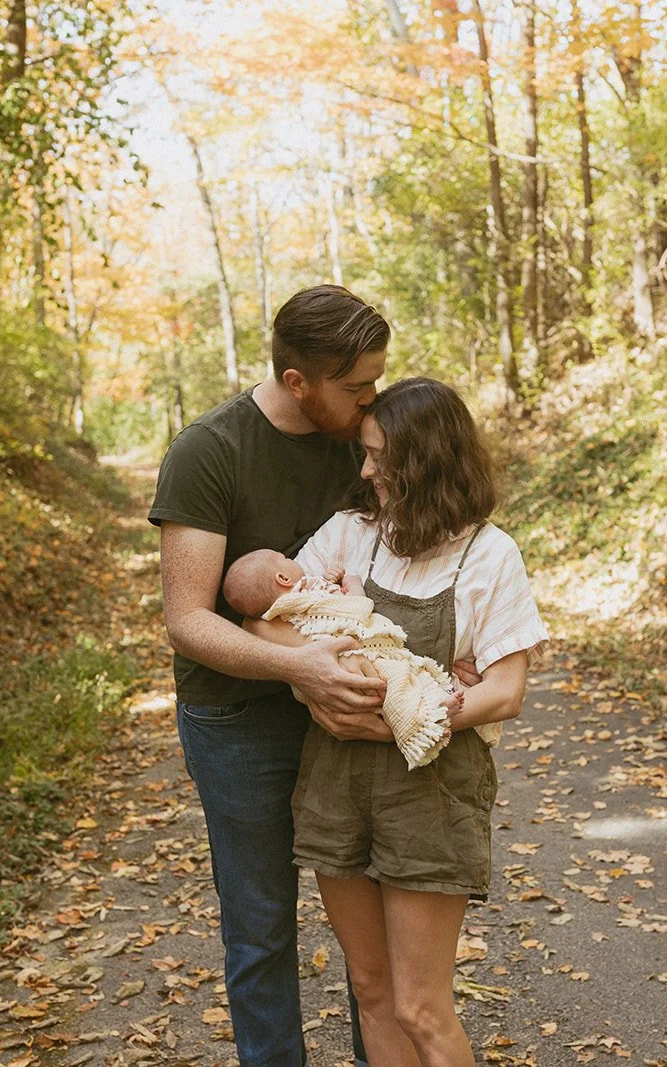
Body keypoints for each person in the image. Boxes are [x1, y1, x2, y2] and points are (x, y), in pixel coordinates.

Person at [263, 377, 549, 1067]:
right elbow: (266, 624)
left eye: (379, 456)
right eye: (364, 453)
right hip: (336, 783)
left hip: (432, 789)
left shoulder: (489, 554)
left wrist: (412, 713)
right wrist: (324, 673)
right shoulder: (352, 536)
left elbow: (506, 690)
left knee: (422, 1004)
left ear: (425, 462)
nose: (364, 471)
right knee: (371, 988)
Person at [149, 284, 399, 1067]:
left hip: (352, 707)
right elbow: (187, 620)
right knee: (261, 925)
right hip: (239, 721)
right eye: (356, 385)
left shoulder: (367, 437)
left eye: (376, 380)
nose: (371, 398)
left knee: (378, 923)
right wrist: (297, 667)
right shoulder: (210, 451)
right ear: (298, 382)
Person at [221, 548, 470, 768]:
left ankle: (431, 706)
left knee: (401, 684)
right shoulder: (304, 601)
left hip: (332, 680)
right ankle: (424, 722)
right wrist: (353, 584)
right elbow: (355, 611)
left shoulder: (283, 611)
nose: (291, 559)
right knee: (399, 683)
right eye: (284, 558)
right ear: (283, 578)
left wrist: (329, 581)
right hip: (352, 661)